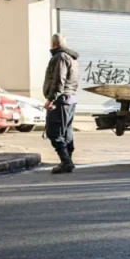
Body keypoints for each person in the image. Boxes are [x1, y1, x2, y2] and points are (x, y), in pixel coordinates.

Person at [42, 33, 80, 174]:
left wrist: (51, 99)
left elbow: (59, 80)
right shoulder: (71, 58)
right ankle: (67, 160)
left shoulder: (60, 57)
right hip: (70, 99)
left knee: (54, 132)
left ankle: (66, 161)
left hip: (61, 100)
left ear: (54, 44)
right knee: (66, 132)